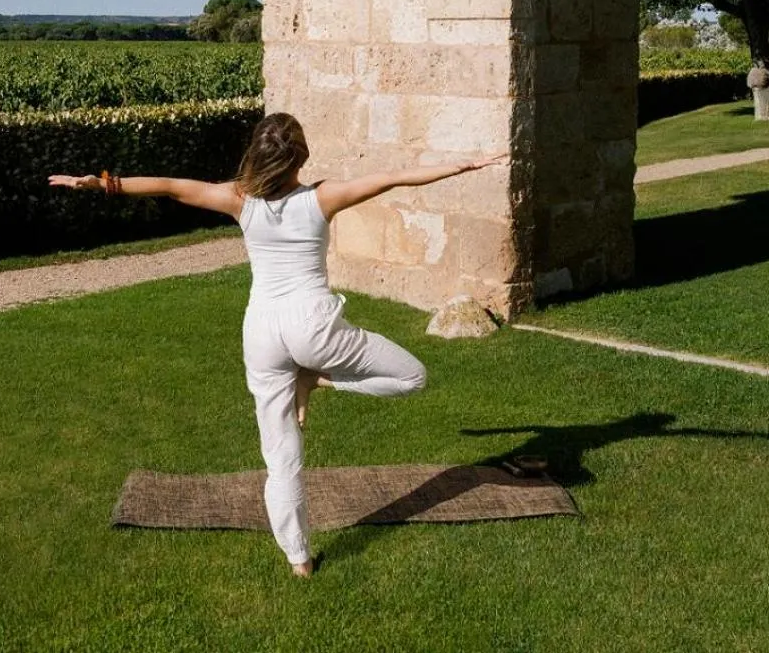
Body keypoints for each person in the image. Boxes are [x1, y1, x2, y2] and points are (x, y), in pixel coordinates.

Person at [49, 112, 502, 577]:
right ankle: (318, 379)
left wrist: (102, 184)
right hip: (314, 327)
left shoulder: (239, 199)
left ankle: (299, 561)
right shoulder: (321, 197)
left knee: (281, 459)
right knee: (412, 376)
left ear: (257, 154)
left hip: (262, 331)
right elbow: (394, 177)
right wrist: (464, 165)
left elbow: (169, 185)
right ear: (300, 157)